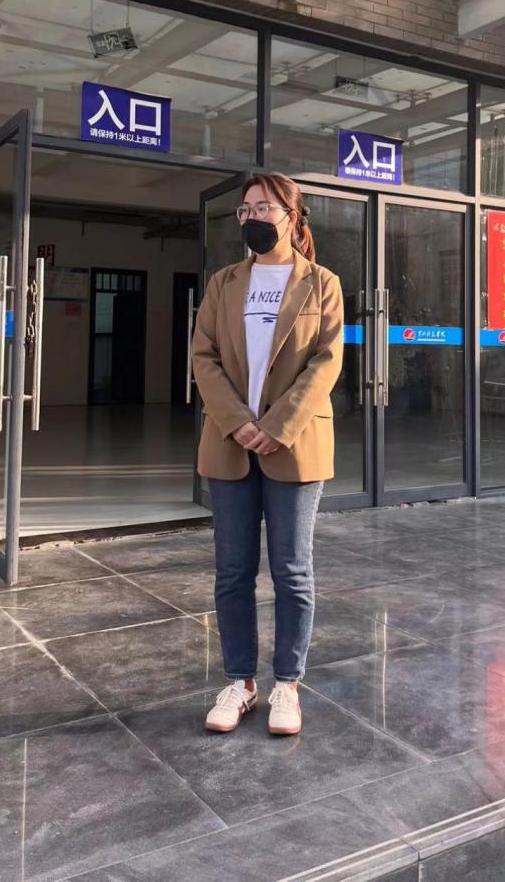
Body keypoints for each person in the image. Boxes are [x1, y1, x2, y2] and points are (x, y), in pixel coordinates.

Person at [191, 173, 343, 736]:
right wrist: (238, 422)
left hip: (294, 444)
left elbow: (326, 360)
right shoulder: (224, 282)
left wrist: (277, 426)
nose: (253, 217)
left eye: (264, 207)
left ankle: (287, 684)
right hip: (229, 443)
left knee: (292, 570)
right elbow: (203, 355)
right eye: (246, 209)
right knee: (233, 571)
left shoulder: (322, 284)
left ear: (291, 216)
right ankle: (240, 682)